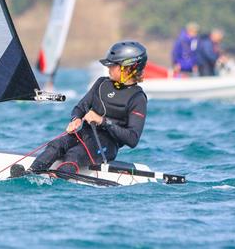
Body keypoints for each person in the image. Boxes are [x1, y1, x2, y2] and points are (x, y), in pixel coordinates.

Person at [23, 40, 148, 175]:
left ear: (128, 68)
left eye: (113, 65)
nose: (109, 68)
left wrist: (102, 121)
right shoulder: (101, 83)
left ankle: (57, 180)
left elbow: (132, 139)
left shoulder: (137, 98)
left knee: (74, 154)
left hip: (107, 146)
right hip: (84, 134)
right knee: (55, 145)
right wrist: (76, 119)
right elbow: (80, 108)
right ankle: (31, 173)